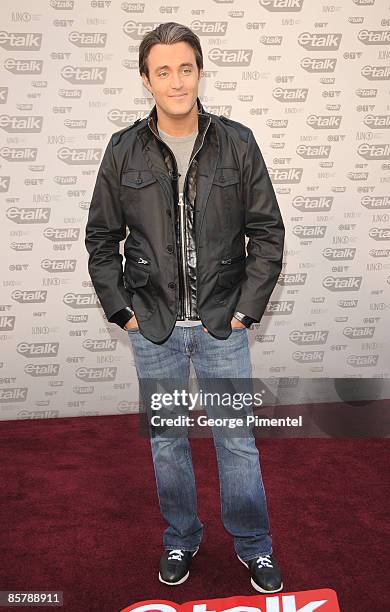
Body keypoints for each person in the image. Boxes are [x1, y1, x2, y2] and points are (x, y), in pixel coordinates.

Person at [85, 22, 285, 593]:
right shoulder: (123, 150)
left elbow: (267, 233)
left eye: (186, 67)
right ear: (146, 79)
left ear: (200, 71)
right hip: (155, 327)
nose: (177, 80)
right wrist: (124, 313)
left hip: (224, 323)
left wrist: (246, 310)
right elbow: (102, 240)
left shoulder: (237, 142)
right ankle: (181, 538)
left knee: (237, 440)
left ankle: (254, 545)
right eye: (163, 70)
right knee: (169, 443)